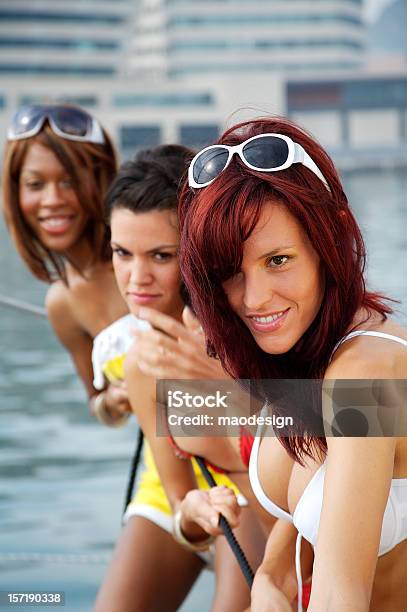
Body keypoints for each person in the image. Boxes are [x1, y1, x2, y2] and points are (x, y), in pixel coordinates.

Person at [177, 116, 407, 610]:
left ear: (331, 239)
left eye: (278, 260)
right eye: (230, 272)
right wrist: (269, 581)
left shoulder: (366, 370)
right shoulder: (304, 353)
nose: (254, 299)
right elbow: (312, 511)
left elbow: (340, 593)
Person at [95, 145, 266, 612]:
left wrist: (225, 384)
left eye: (161, 256)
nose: (137, 278)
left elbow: (371, 416)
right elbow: (178, 498)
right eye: (121, 253)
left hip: (272, 499)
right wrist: (191, 515)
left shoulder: (261, 329)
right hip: (211, 500)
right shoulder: (141, 363)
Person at [2, 103, 130, 423]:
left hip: (244, 459)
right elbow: (102, 409)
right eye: (35, 184)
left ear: (100, 178)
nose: (52, 200)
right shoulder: (62, 304)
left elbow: (261, 393)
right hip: (166, 467)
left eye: (69, 181)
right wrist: (114, 401)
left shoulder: (153, 259)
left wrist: (160, 390)